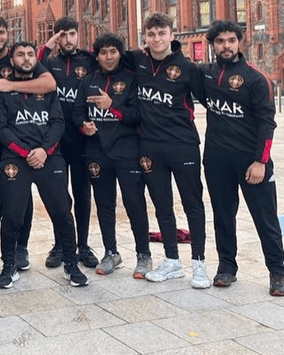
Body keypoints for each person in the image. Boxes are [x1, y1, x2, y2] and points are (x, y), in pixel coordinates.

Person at [0, 42, 88, 289]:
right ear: (12, 60)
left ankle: (71, 264)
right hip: (16, 157)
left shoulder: (47, 88)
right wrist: (26, 153)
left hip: (48, 156)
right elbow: (0, 128)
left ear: (37, 59)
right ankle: (9, 266)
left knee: (62, 212)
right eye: (20, 54)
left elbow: (57, 123)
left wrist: (44, 151)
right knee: (12, 214)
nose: (26, 58)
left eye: (30, 54)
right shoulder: (2, 91)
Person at [125, 13, 209, 288]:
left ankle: (199, 263)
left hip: (182, 145)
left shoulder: (188, 68)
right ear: (145, 38)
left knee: (192, 203)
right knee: (162, 205)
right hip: (150, 146)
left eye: (162, 33)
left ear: (172, 36)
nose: (157, 39)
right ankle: (172, 260)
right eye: (151, 34)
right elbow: (100, 55)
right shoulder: (137, 61)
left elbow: (209, 102)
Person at [200, 20, 284, 295]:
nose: (226, 45)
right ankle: (226, 267)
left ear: (239, 42)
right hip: (216, 161)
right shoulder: (206, 75)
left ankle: (278, 271)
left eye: (231, 40)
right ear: (213, 45)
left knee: (266, 218)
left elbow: (267, 124)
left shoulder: (256, 78)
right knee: (223, 215)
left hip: (252, 162)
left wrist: (261, 161)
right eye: (220, 41)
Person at [0, 15, 57, 274]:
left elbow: (49, 84)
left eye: (1, 32)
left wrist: (10, 85)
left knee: (22, 193)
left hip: (21, 138)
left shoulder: (19, 58)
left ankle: (21, 247)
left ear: (8, 34)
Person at [72, 33, 151, 277]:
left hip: (127, 151)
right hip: (97, 152)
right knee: (104, 204)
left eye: (113, 52)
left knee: (134, 202)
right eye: (104, 52)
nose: (108, 57)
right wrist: (83, 126)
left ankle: (144, 254)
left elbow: (138, 115)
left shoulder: (131, 80)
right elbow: (77, 112)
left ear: (120, 53)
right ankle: (111, 252)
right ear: (97, 55)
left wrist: (112, 108)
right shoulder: (88, 81)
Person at [38, 17, 99, 269]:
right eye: (62, 35)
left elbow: (113, 60)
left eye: (72, 34)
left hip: (82, 139)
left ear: (78, 35)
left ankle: (82, 244)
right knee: (59, 197)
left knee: (82, 193)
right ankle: (61, 243)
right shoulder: (49, 63)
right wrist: (47, 45)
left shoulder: (89, 60)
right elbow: (33, 66)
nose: (68, 39)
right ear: (56, 38)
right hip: (56, 141)